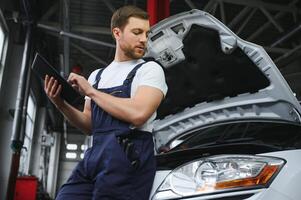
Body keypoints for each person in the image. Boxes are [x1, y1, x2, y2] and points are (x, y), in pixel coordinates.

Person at [44, 5, 168, 200]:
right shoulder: (97, 76)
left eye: (147, 33)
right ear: (117, 33)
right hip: (96, 154)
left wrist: (91, 92)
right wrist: (59, 102)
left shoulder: (150, 70)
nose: (144, 39)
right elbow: (89, 124)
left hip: (129, 157)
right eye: (137, 32)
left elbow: (138, 114)